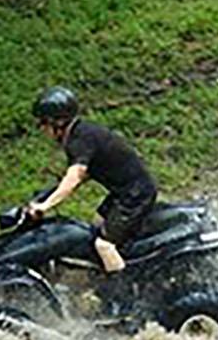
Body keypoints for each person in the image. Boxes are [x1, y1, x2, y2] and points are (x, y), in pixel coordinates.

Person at [25, 86, 157, 272]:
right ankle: (104, 270)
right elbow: (83, 175)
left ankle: (122, 286)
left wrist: (45, 206)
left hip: (135, 194)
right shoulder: (81, 133)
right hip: (124, 191)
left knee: (104, 245)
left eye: (43, 123)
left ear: (57, 122)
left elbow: (75, 176)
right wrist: (45, 195)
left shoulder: (79, 140)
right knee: (96, 225)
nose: (42, 129)